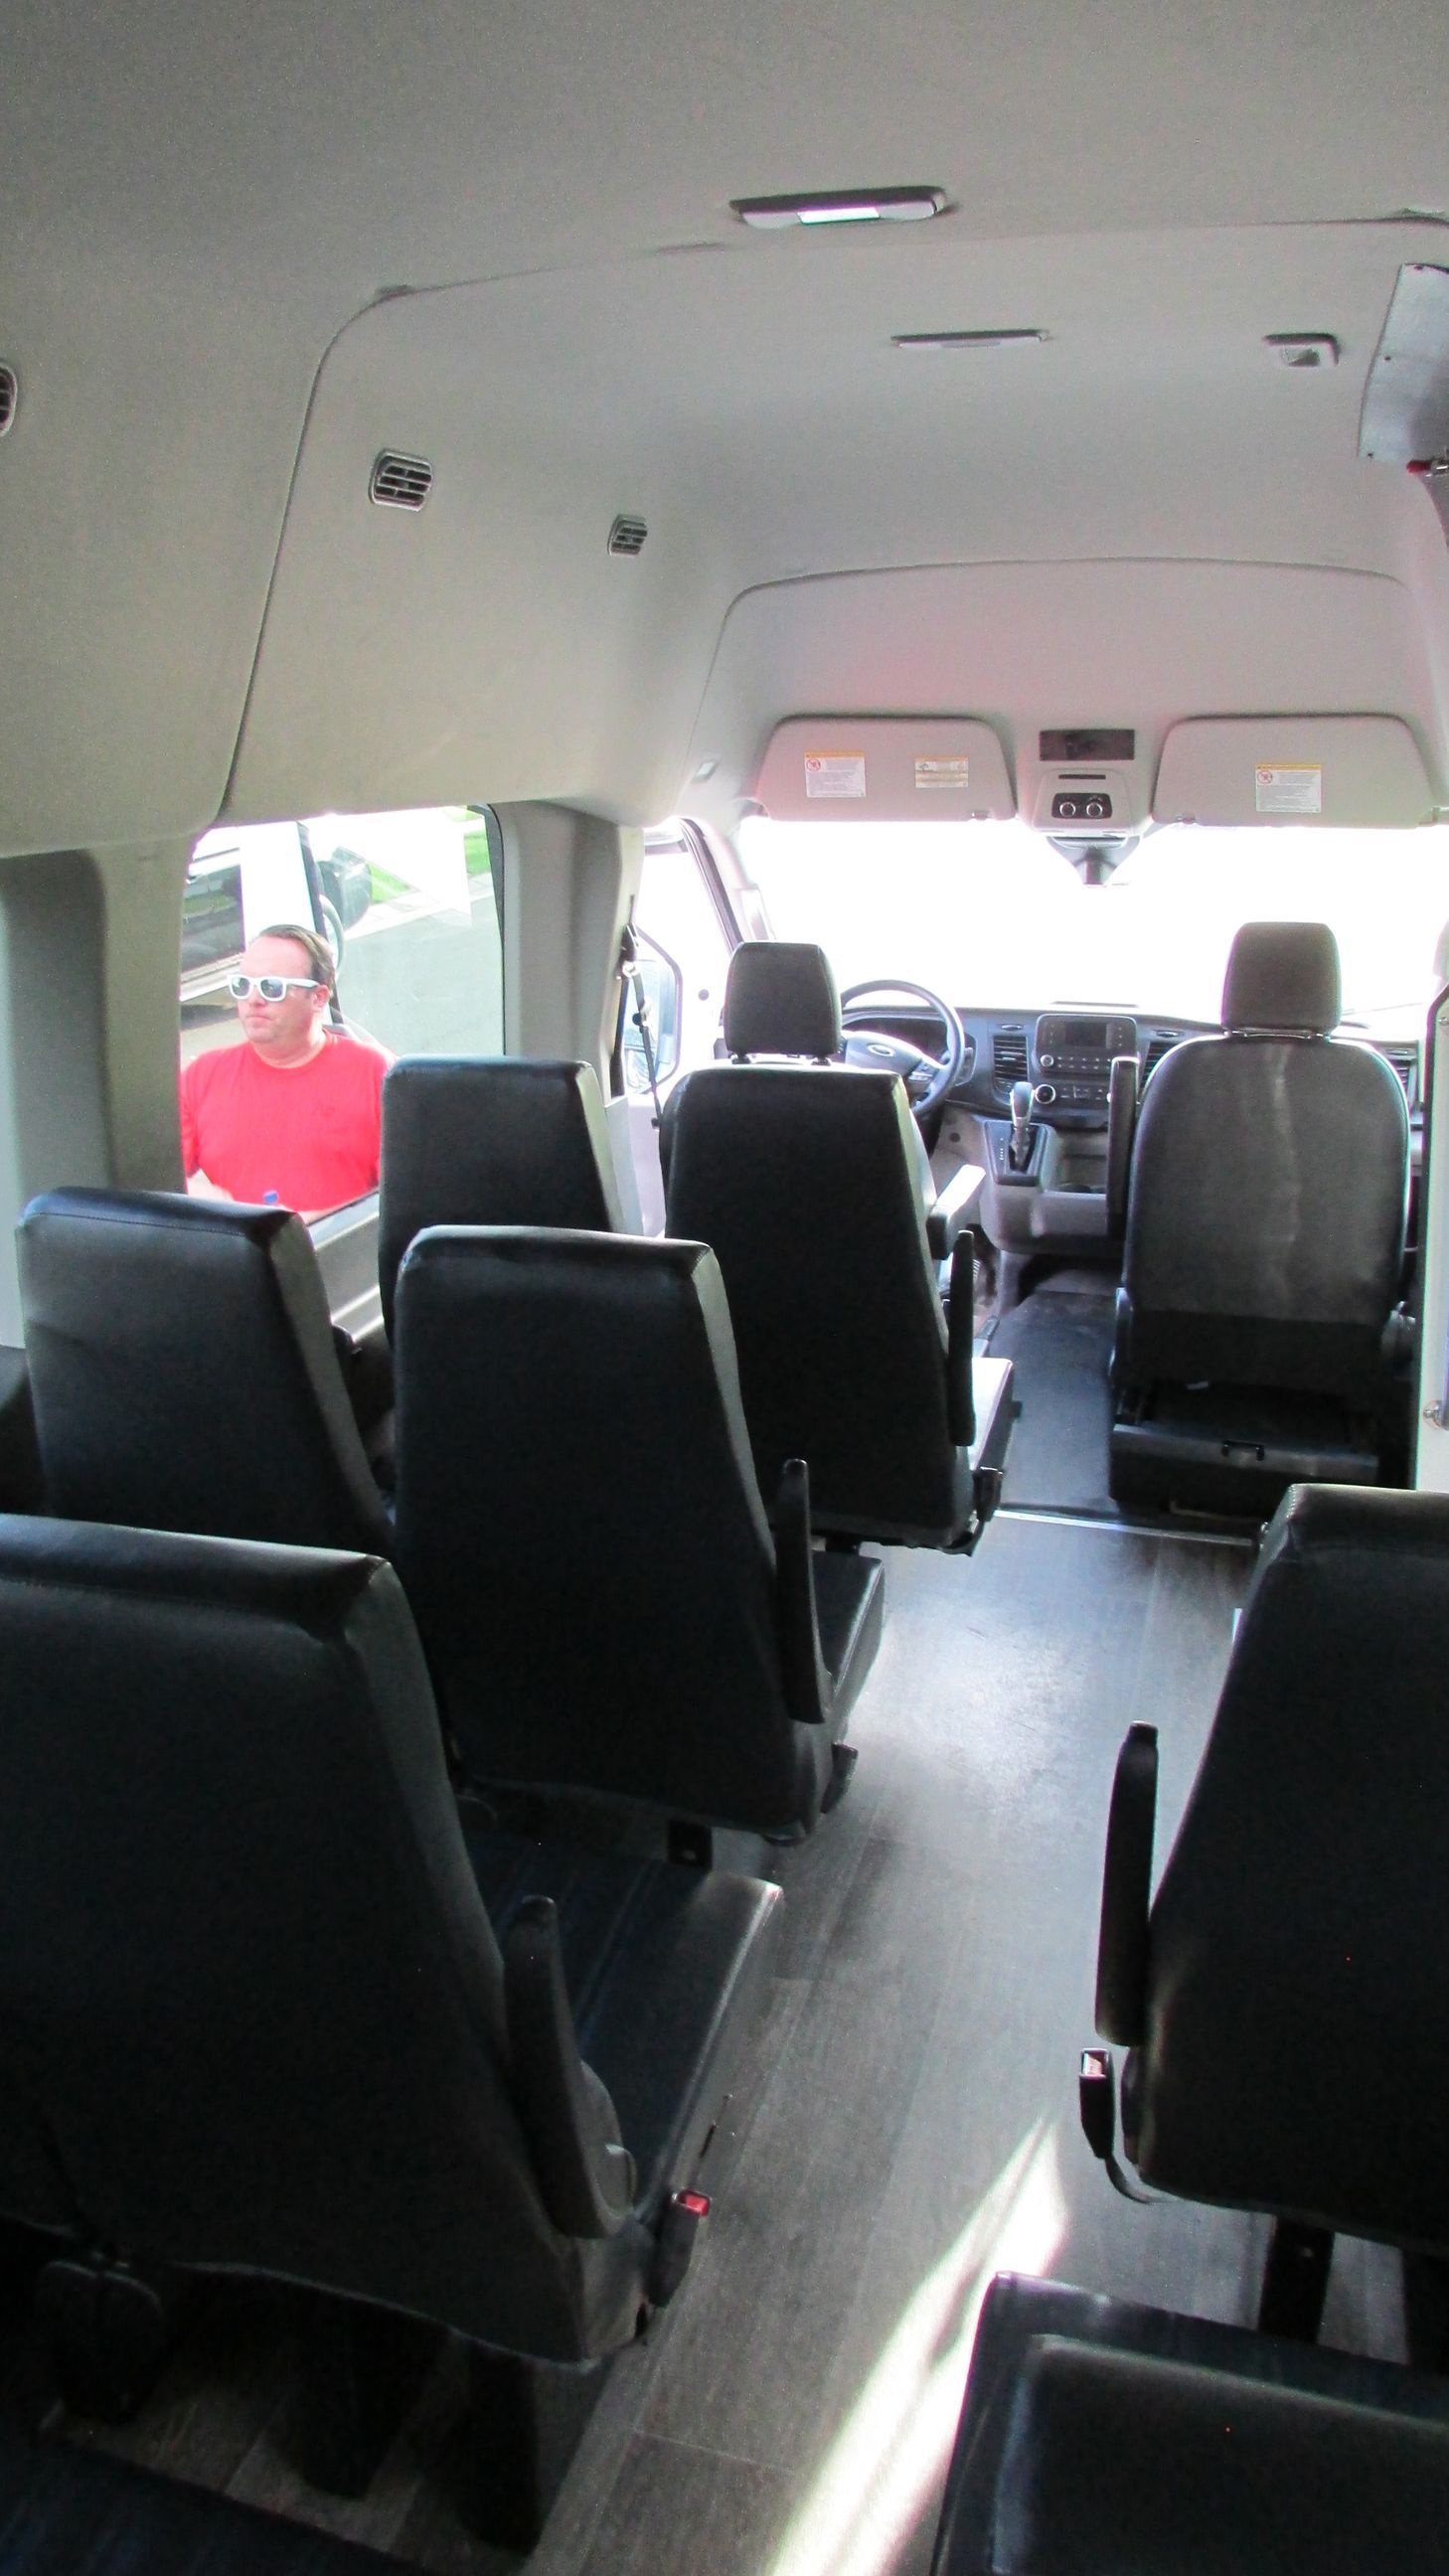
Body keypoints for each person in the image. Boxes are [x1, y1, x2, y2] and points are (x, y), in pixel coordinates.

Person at [180, 923, 391, 1215]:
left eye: (272, 988)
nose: (253, 999)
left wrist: (303, 1229)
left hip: (343, 1253)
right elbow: (151, 1180)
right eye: (243, 986)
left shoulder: (376, 1073)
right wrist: (196, 1194)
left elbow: (402, 1197)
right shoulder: (201, 1077)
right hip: (243, 1256)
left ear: (318, 997)